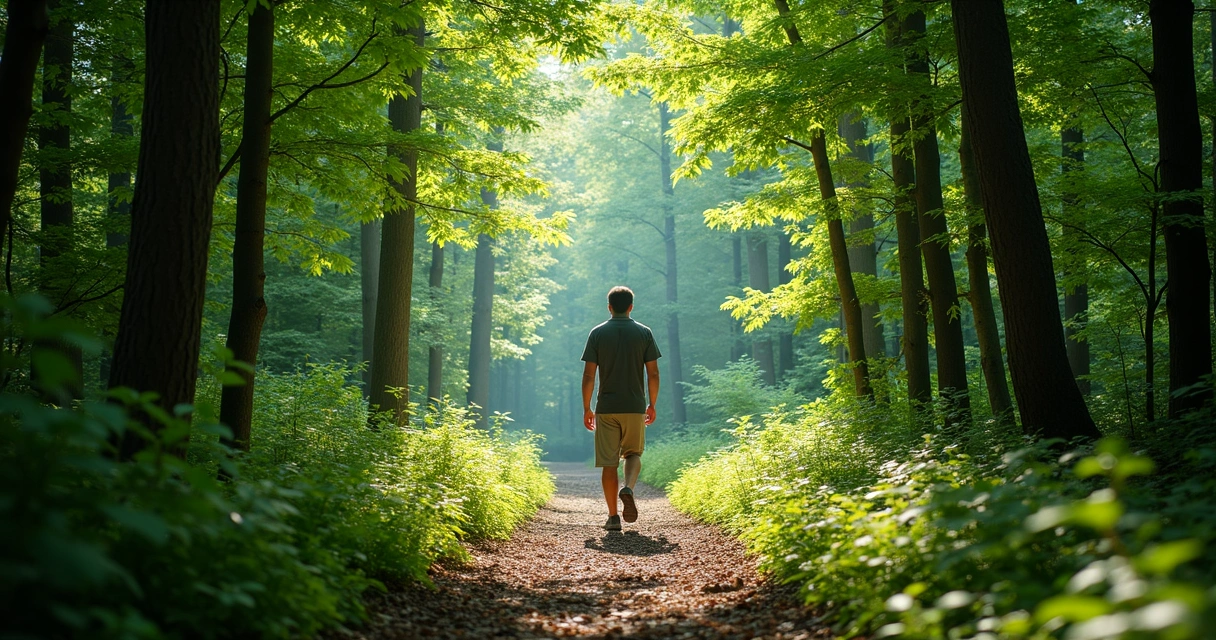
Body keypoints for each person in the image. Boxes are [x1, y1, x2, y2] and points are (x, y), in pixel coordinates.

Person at [580, 286, 661, 531]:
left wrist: (587, 407)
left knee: (609, 463)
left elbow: (589, 375)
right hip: (635, 406)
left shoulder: (597, 333)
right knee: (633, 454)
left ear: (609, 307)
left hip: (606, 407)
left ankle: (613, 517)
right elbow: (653, 373)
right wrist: (652, 404)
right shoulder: (644, 333)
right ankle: (628, 489)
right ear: (631, 307)